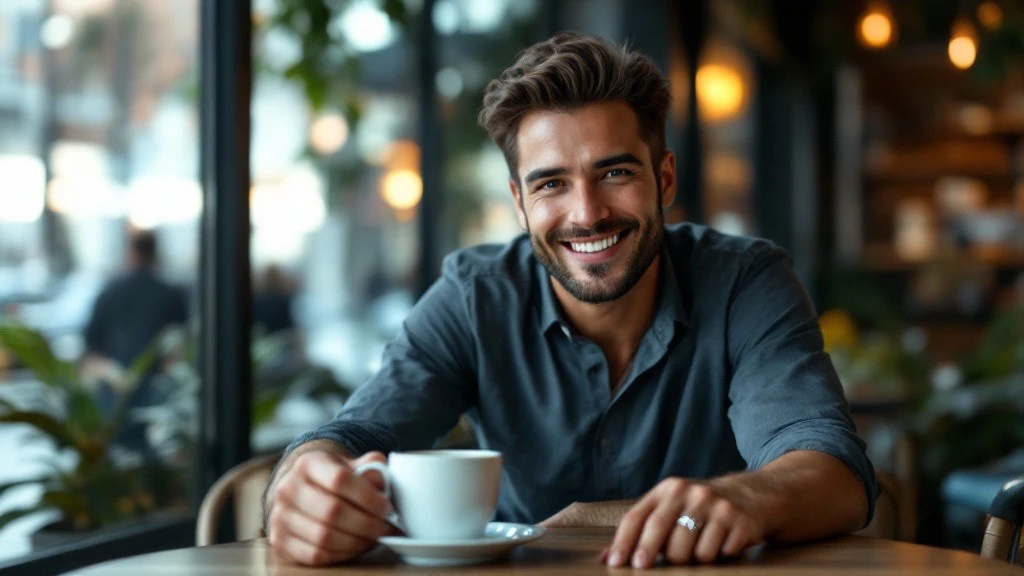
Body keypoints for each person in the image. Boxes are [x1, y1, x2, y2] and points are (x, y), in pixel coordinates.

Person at [263, 32, 876, 569]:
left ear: (663, 179)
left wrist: (747, 497)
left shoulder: (746, 282)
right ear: (519, 202)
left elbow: (834, 471)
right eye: (551, 183)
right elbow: (356, 433)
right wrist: (300, 485)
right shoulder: (475, 297)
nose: (587, 214)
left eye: (615, 173)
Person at [83, 229, 188, 448]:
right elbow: (180, 343)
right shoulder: (170, 293)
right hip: (156, 390)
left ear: (130, 252)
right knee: (153, 450)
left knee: (116, 451)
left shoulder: (110, 291)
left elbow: (91, 343)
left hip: (115, 389)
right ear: (155, 254)